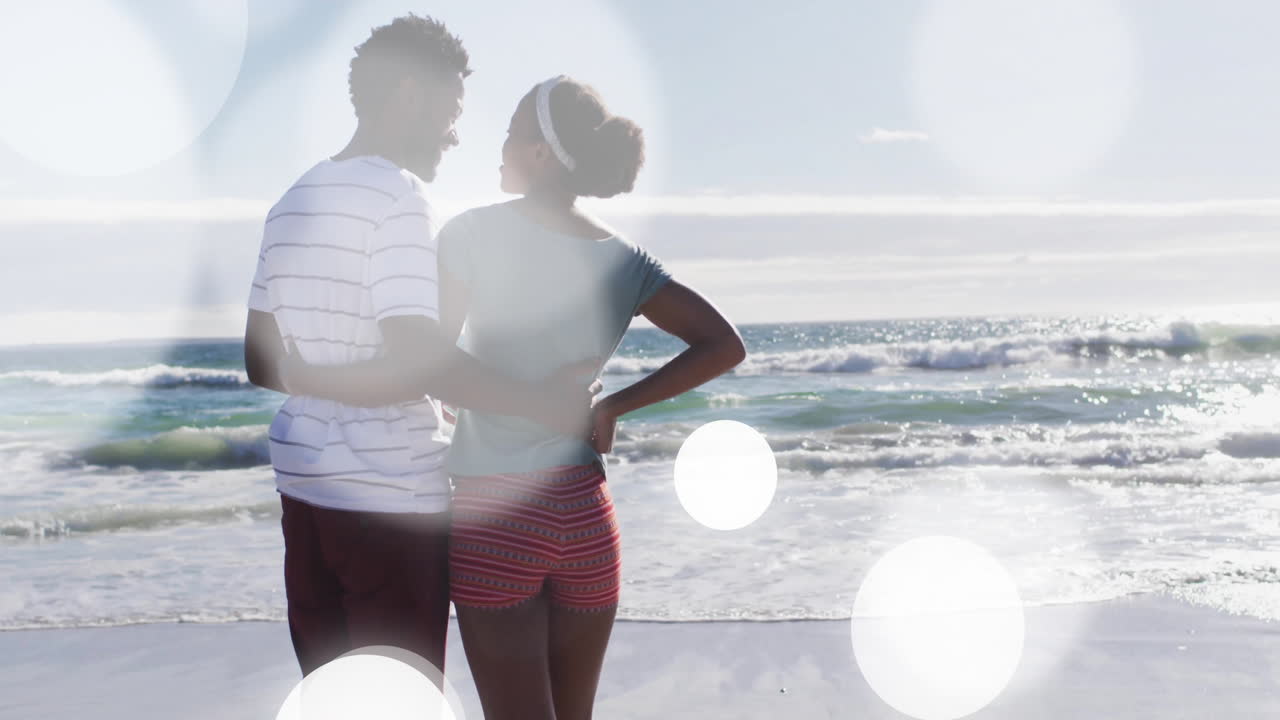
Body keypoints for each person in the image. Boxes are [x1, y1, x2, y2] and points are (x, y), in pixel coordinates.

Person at [285, 75, 746, 719]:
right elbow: (724, 344)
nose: (498, 146)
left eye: (510, 133)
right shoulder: (625, 259)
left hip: (498, 518)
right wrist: (611, 406)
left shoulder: (471, 232)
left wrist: (469, 391)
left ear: (540, 153)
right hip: (587, 518)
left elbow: (430, 360)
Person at [242, 15, 596, 681]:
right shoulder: (398, 198)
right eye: (450, 111)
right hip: (389, 502)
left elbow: (261, 362)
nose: (455, 132)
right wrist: (541, 404)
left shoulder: (292, 200)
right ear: (410, 94)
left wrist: (327, 377)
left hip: (305, 493)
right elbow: (417, 358)